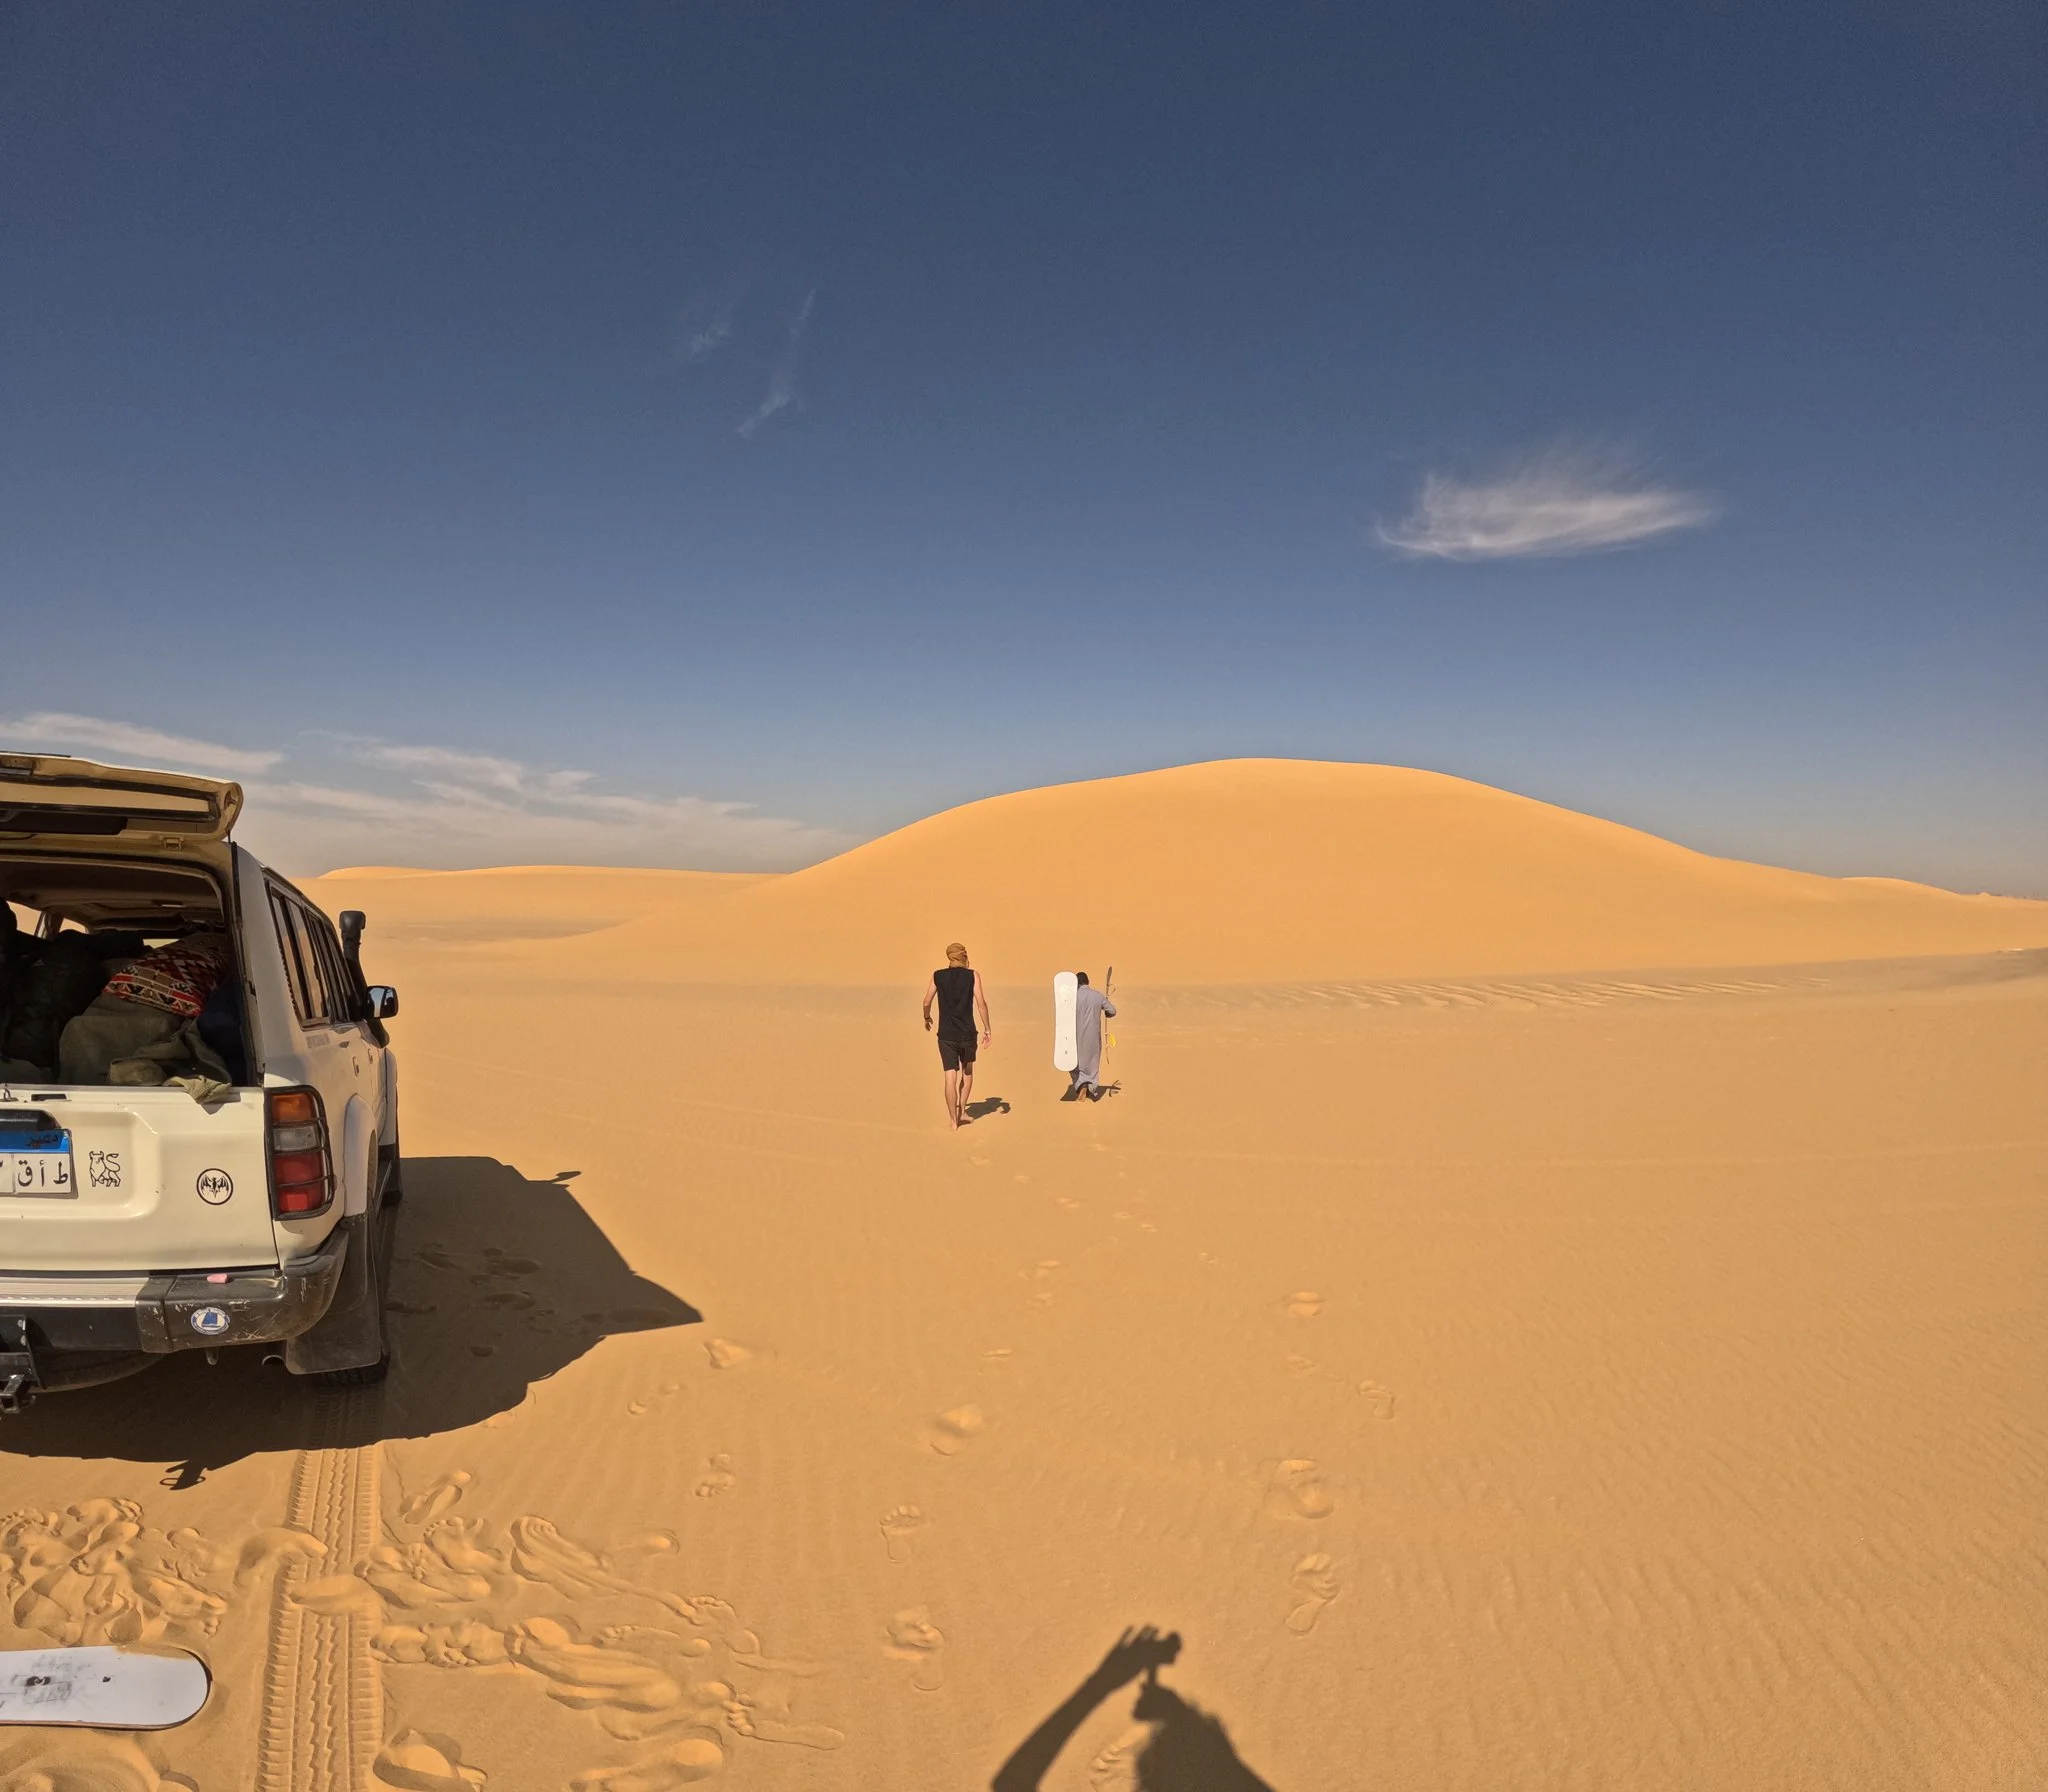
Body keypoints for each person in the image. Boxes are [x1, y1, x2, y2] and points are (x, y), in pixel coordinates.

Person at [922, 942, 991, 1129]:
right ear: (964, 956)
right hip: (967, 1033)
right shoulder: (972, 976)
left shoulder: (938, 976)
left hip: (946, 1034)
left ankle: (953, 1120)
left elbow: (926, 1001)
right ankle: (962, 1112)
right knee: (967, 1072)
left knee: (949, 1076)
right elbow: (981, 1004)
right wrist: (987, 1029)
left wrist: (926, 1017)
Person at [1067, 970, 1116, 1102]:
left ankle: (1080, 1085)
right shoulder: (1098, 996)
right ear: (1088, 982)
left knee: (1074, 1064)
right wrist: (1106, 1013)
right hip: (1094, 1038)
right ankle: (1089, 1087)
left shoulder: (1072, 997)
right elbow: (1112, 1011)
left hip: (1075, 1037)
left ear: (1076, 984)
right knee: (1092, 1065)